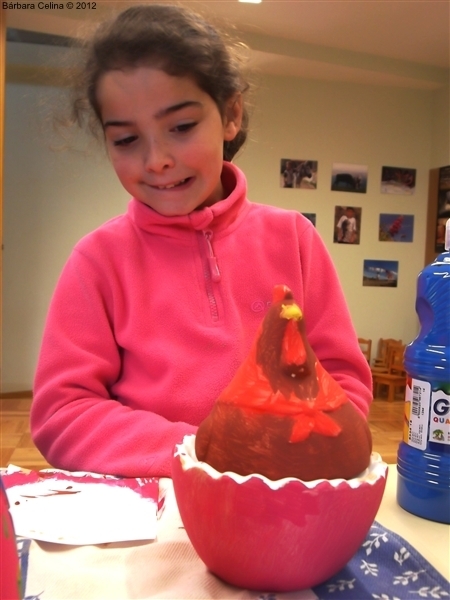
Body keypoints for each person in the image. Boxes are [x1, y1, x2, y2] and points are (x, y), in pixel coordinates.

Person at [31, 4, 372, 478]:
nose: (157, 160)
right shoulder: (97, 260)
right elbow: (62, 414)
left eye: (181, 127)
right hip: (152, 499)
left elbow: (342, 380)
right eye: (126, 139)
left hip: (282, 490)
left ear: (231, 115)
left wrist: (308, 451)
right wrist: (203, 450)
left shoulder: (293, 238)